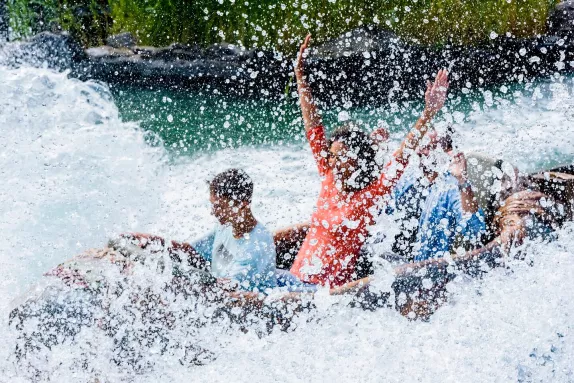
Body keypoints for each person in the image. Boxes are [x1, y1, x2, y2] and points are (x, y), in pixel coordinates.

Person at [284, 34, 450, 287]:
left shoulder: (372, 194)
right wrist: (300, 75)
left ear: (359, 160)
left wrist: (428, 113)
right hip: (292, 281)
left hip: (322, 294)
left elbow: (402, 156)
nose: (335, 162)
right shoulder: (329, 177)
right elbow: (314, 127)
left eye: (342, 157)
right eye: (332, 156)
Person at [127, 169, 277, 293]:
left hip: (248, 309)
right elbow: (193, 253)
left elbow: (230, 290)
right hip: (219, 294)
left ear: (243, 205)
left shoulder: (257, 245)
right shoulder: (227, 226)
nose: (214, 213)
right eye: (213, 205)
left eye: (220, 207)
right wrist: (153, 241)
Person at [384, 127, 486, 262]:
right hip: (386, 259)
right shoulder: (409, 177)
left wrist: (462, 180)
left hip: (419, 268)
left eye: (428, 147)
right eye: (421, 146)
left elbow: (475, 228)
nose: (420, 151)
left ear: (448, 152)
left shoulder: (452, 187)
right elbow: (381, 206)